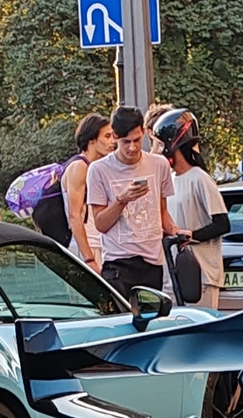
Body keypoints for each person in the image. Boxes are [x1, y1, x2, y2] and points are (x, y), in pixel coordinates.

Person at [86, 104, 175, 295]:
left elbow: (162, 212)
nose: (132, 147)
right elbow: (100, 224)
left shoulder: (159, 165)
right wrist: (121, 200)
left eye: (137, 139)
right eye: (126, 142)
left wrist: (175, 231)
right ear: (115, 137)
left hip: (152, 262)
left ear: (144, 131)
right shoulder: (99, 170)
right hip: (118, 263)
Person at [157, 107, 231, 308]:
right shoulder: (169, 180)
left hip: (201, 275)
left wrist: (190, 235)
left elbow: (222, 223)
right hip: (174, 274)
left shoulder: (200, 178)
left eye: (159, 145)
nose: (156, 151)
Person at [60, 111, 111, 266]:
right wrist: (89, 259)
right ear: (91, 140)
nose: (113, 141)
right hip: (85, 247)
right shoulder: (79, 167)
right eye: (107, 136)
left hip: (99, 244)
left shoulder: (96, 167)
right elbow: (74, 215)